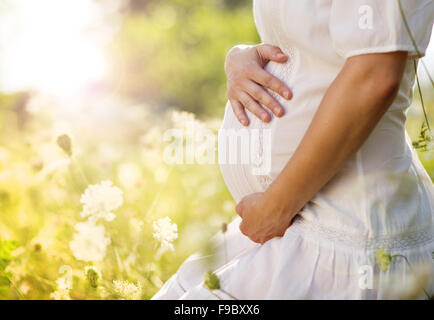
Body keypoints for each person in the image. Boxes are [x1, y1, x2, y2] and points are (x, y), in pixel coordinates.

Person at [153, 0, 434, 299]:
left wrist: (277, 206)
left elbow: (375, 76)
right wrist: (242, 55)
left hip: (347, 239)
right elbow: (309, 47)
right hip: (287, 229)